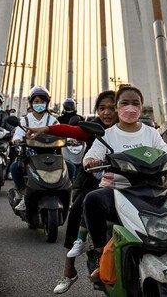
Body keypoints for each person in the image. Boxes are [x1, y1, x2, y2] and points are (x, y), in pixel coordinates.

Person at [79, 84, 167, 280]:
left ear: (141, 107)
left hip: (151, 190)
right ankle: (100, 256)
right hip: (117, 191)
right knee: (92, 200)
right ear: (116, 107)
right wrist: (91, 161)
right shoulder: (108, 135)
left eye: (135, 103)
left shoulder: (151, 133)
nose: (130, 108)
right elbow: (91, 156)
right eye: (124, 103)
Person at [53, 90, 116, 294]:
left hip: (125, 182)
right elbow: (71, 131)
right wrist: (44, 129)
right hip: (92, 180)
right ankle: (69, 269)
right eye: (102, 108)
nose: (107, 112)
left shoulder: (130, 128)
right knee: (78, 209)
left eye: (112, 107)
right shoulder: (94, 128)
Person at [10, 86, 60, 211]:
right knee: (15, 168)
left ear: (47, 103)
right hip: (30, 156)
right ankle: (23, 195)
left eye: (42, 102)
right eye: (36, 101)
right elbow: (18, 134)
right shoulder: (25, 120)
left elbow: (62, 133)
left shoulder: (53, 120)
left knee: (69, 167)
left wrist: (70, 139)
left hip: (51, 156)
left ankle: (64, 197)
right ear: (31, 103)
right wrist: (16, 139)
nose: (39, 104)